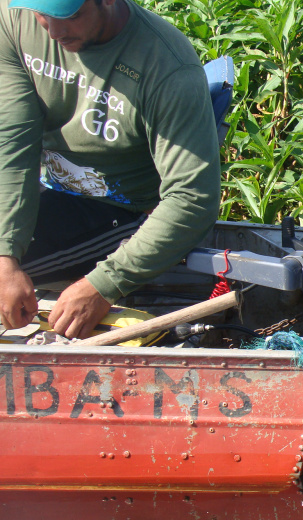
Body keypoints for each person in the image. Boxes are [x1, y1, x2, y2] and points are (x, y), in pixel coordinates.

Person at [0, 0, 221, 339]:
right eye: (43, 16)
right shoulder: (15, 21)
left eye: (71, 16)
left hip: (118, 209)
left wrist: (102, 286)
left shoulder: (167, 66)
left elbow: (193, 198)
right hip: (48, 187)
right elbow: (13, 145)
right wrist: (5, 255)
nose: (55, 31)